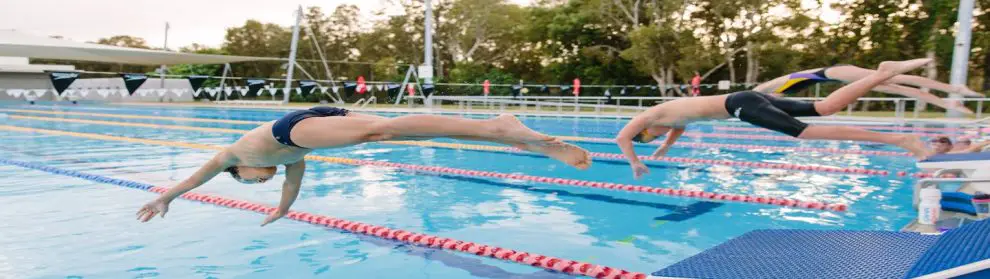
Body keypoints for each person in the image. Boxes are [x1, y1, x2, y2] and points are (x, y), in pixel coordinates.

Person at [136, 109, 592, 225]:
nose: (263, 181)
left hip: (289, 128)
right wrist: (282, 211)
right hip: (309, 128)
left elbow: (194, 179)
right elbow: (292, 186)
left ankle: (495, 127)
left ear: (240, 173)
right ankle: (502, 129)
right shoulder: (289, 164)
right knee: (397, 132)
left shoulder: (233, 158)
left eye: (253, 184)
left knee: (380, 132)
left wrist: (163, 198)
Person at [615, 58, 936, 179]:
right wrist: (665, 149)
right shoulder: (668, 120)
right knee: (823, 109)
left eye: (653, 137)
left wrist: (634, 162)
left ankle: (900, 140)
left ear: (646, 129)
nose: (658, 136)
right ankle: (880, 75)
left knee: (805, 132)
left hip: (740, 105)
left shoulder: (648, 115)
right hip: (746, 99)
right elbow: (679, 129)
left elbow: (622, 138)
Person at [752, 63, 982, 115]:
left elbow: (780, 89)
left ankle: (954, 88)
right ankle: (947, 102)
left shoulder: (760, 91)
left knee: (899, 79)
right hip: (832, 78)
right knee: (898, 88)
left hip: (830, 73)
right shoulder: (771, 94)